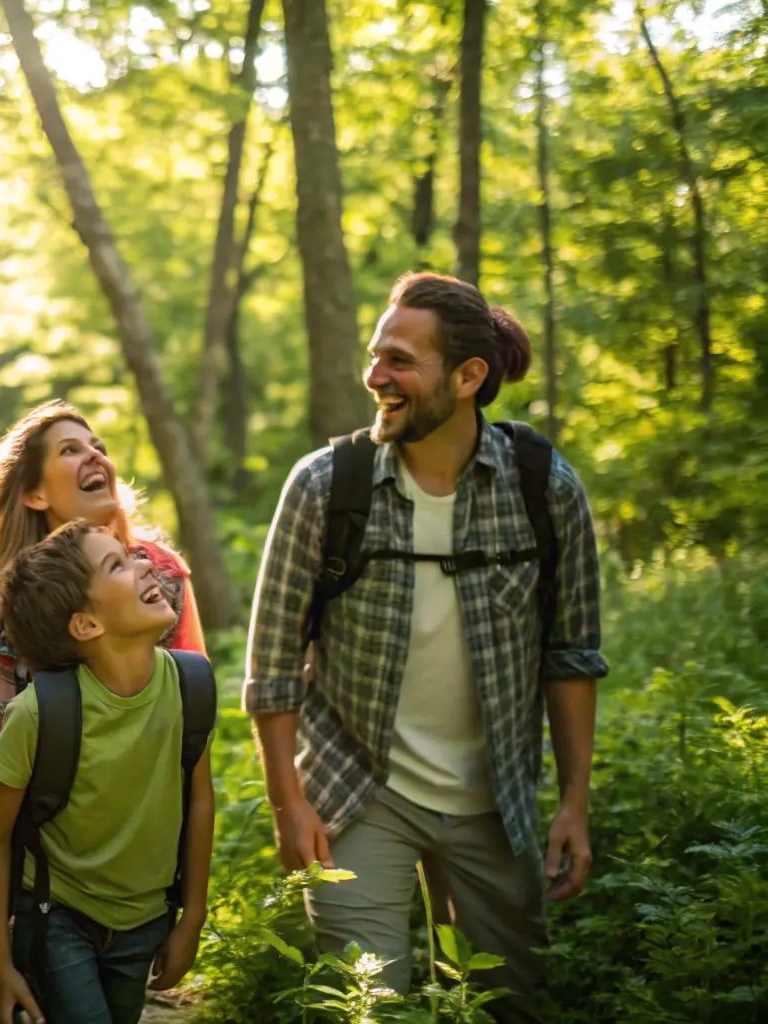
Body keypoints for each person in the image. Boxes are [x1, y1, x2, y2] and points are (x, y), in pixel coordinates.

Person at [244, 271, 608, 1024]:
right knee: (367, 1007)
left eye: (400, 361)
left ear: (468, 377)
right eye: (375, 356)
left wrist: (574, 803)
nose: (376, 376)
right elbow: (271, 667)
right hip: (356, 793)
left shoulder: (544, 489)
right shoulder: (323, 488)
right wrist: (288, 803)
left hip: (496, 802)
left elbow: (571, 656)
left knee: (506, 1007)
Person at [0, 400, 207, 943]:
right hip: (28, 846)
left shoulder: (161, 577)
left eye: (98, 447)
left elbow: (190, 724)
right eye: (70, 450)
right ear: (34, 494)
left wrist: (189, 894)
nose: (95, 456)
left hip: (135, 858)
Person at [0, 519, 215, 1024]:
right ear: (86, 625)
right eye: (118, 565)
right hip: (57, 916)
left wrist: (193, 917)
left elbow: (199, 800)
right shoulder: (38, 714)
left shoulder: (191, 686)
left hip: (146, 918)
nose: (145, 564)